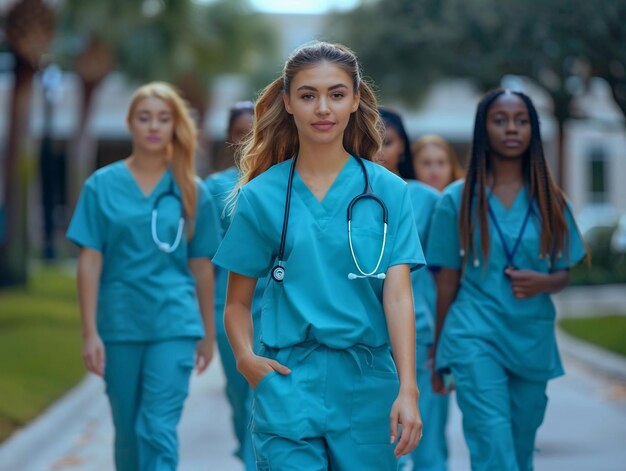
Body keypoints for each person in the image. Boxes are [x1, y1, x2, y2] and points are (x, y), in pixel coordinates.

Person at [212, 42, 424, 470]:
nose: (322, 108)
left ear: (356, 99)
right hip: (287, 381)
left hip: (368, 384)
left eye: (336, 94)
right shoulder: (260, 197)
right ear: (288, 102)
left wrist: (408, 389)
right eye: (308, 95)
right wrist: (246, 359)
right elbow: (236, 303)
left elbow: (398, 297)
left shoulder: (389, 193)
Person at [427, 89, 587, 471]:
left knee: (520, 443)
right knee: (492, 439)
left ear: (533, 128)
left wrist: (543, 283)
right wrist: (438, 350)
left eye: (521, 120)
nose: (511, 128)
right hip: (473, 332)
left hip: (530, 335)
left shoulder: (551, 200)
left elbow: (564, 270)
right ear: (484, 128)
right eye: (500, 120)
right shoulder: (457, 199)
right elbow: (446, 280)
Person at [67, 82, 219, 471]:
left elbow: (202, 265)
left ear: (174, 126)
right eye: (145, 117)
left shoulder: (191, 190)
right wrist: (89, 332)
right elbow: (90, 261)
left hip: (174, 321)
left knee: (157, 426)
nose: (154, 126)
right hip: (120, 322)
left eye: (163, 118)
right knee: (129, 431)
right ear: (130, 123)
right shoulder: (101, 186)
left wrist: (208, 332)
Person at [378, 108, 449, 471]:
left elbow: (447, 279)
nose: (378, 149)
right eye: (370, 140)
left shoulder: (428, 200)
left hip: (421, 338)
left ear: (404, 146)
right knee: (377, 445)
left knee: (427, 442)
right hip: (364, 343)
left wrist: (445, 344)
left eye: (387, 141)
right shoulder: (342, 195)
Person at [204, 100, 259, 470]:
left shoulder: (289, 178)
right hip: (230, 305)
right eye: (241, 133)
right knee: (240, 394)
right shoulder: (214, 188)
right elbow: (203, 261)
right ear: (229, 138)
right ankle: (247, 452)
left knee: (269, 398)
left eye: (255, 131)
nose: (248, 141)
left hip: (277, 304)